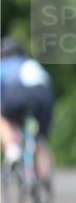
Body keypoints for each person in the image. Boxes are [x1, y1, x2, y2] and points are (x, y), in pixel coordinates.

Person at [0, 37, 56, 183]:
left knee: (2, 117)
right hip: (44, 94)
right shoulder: (31, 63)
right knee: (39, 137)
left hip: (17, 93)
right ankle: (44, 173)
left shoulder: (3, 65)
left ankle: (12, 149)